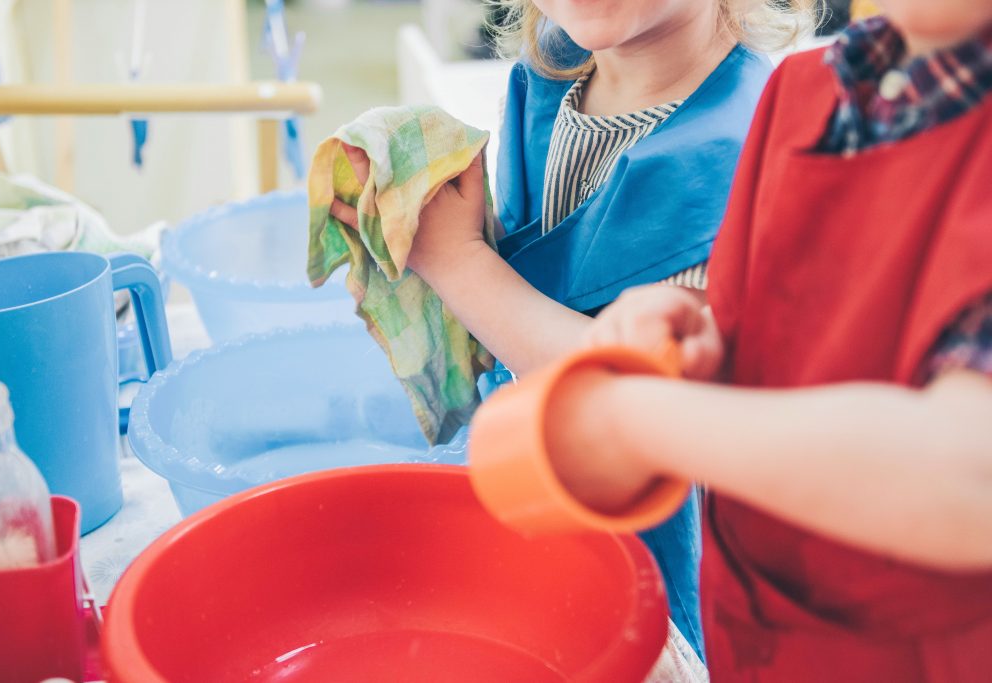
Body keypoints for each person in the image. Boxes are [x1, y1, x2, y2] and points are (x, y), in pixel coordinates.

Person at [330, 0, 815, 659]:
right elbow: (543, 282)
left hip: (652, 558)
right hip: (534, 493)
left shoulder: (742, 155)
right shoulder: (553, 74)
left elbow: (635, 402)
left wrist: (456, 259)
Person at [520, 4, 992, 680]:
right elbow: (810, 338)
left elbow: (968, 479)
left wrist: (641, 419)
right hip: (760, 635)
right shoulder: (807, 92)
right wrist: (701, 338)